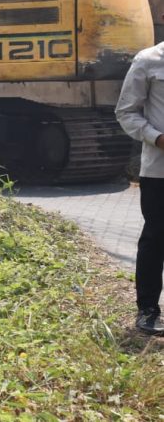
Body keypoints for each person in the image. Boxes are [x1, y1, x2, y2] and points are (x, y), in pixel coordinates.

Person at [117, 39, 164, 335]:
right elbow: (126, 112)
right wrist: (157, 138)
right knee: (155, 239)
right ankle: (147, 310)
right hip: (159, 171)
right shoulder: (148, 61)